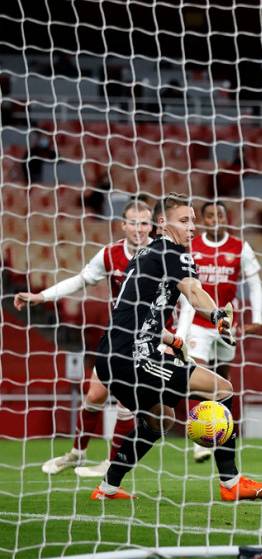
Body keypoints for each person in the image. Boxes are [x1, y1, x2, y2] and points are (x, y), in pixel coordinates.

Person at [90, 192, 262, 501]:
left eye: (193, 221)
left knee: (160, 419)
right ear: (162, 222)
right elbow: (194, 290)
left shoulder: (145, 254)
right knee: (222, 389)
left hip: (111, 357)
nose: (192, 227)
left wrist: (172, 340)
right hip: (133, 357)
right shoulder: (175, 253)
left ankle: (107, 488)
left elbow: (139, 315)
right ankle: (231, 483)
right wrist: (217, 315)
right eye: (185, 220)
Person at [14, 200, 156, 477]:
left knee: (125, 403)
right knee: (94, 396)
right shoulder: (110, 254)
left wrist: (180, 336)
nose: (139, 229)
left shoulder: (163, 254)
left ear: (151, 226)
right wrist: (42, 296)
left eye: (144, 223)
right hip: (118, 335)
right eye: (133, 223)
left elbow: (185, 294)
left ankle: (112, 464)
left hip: (149, 339)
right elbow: (81, 280)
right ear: (123, 225)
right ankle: (77, 454)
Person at [175, 199, 262, 461]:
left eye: (220, 215)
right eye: (210, 215)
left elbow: (254, 283)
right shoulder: (192, 247)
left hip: (226, 324)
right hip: (198, 322)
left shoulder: (240, 247)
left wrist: (257, 318)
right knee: (197, 374)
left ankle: (220, 430)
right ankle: (200, 441)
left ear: (227, 218)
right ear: (203, 220)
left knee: (222, 380)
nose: (215, 219)